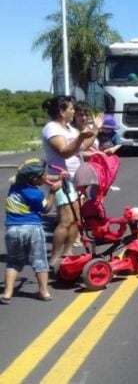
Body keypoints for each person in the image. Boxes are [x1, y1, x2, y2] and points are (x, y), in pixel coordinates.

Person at [41, 96, 98, 266]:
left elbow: (83, 147)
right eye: (71, 109)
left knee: (75, 219)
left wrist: (95, 130)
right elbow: (64, 151)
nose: (74, 111)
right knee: (65, 221)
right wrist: (81, 137)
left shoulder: (69, 129)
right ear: (61, 111)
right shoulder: (52, 128)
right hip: (60, 179)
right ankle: (53, 259)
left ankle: (68, 253)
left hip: (74, 178)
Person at [2, 160, 62, 304]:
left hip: (12, 229)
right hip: (32, 229)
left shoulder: (15, 185)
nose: (46, 176)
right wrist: (53, 192)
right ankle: (44, 292)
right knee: (39, 261)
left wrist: (58, 176)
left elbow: (23, 173)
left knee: (13, 262)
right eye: (44, 175)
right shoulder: (35, 194)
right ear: (34, 179)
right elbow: (46, 208)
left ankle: (7, 293)